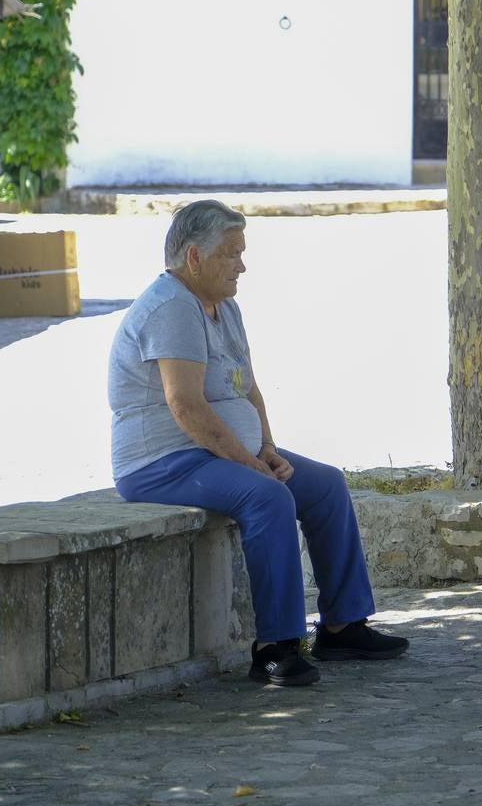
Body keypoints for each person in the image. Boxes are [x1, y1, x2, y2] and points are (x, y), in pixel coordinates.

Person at [109, 200, 408, 687]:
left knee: (326, 485)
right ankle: (275, 647)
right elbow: (186, 407)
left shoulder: (224, 307)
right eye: (231, 253)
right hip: (161, 462)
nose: (242, 265)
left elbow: (247, 388)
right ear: (194, 258)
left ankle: (342, 626)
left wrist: (267, 449)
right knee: (268, 496)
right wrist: (252, 466)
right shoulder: (170, 308)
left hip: (215, 454)